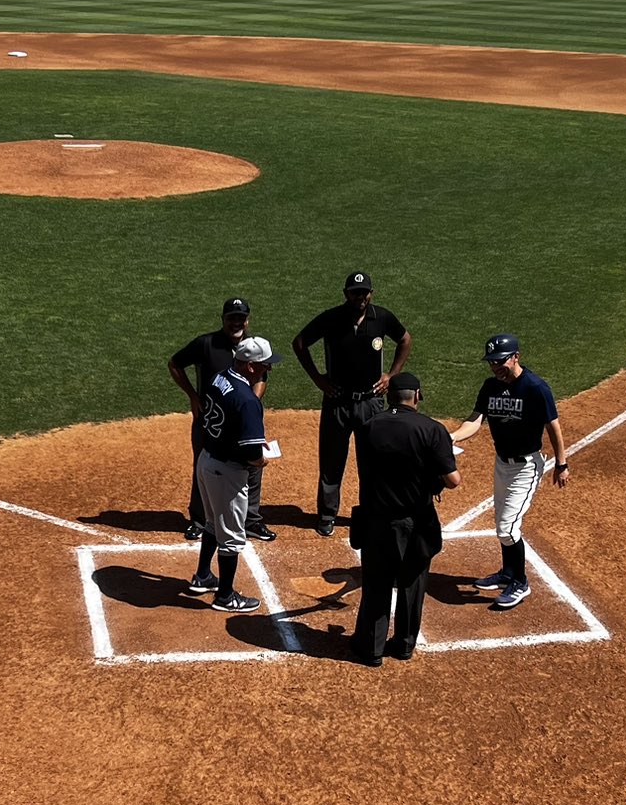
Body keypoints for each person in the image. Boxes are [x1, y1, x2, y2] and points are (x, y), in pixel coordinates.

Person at [447, 333, 569, 610]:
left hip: (526, 466)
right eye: (491, 362)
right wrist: (453, 436)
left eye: (500, 361)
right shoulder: (490, 386)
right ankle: (508, 573)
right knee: (503, 521)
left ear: (516, 357)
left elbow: (554, 427)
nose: (495, 367)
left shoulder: (536, 387)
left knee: (507, 527)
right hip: (502, 464)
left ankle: (520, 582)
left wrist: (561, 463)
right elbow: (475, 421)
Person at [349, 372, 459, 666]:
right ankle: (404, 645)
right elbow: (453, 480)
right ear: (418, 396)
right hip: (416, 522)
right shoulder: (432, 430)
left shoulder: (367, 427)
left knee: (376, 584)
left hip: (376, 520)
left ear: (389, 397)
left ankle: (371, 648)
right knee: (412, 583)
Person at [292, 270, 411, 538]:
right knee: (332, 460)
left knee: (372, 461)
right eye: (355, 292)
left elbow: (405, 339)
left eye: (364, 292)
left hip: (370, 402)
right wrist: (317, 379)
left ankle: (370, 512)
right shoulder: (332, 318)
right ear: (346, 294)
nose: (360, 297)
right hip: (338, 401)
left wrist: (391, 375)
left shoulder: (382, 317)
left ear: (371, 293)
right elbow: (299, 343)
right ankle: (327, 514)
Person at [168, 298, 273, 541]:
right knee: (204, 465)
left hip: (242, 421)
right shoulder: (206, 344)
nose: (236, 322)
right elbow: (175, 364)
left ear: (247, 320)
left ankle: (252, 520)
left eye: (241, 318)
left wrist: (251, 404)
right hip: (210, 421)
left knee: (253, 468)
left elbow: (262, 378)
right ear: (223, 319)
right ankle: (200, 519)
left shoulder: (255, 346)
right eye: (231, 318)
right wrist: (193, 397)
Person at [188, 336, 276, 614]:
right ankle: (225, 596)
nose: (268, 370)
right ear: (250, 366)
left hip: (206, 460)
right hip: (226, 472)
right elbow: (251, 451)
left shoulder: (220, 376)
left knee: (213, 522)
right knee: (233, 536)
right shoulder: (247, 400)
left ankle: (203, 576)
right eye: (264, 365)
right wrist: (261, 460)